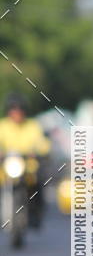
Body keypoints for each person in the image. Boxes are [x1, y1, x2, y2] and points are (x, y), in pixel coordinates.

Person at [0, 94, 50, 227]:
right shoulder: (3, 126)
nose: (17, 113)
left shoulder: (32, 126)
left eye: (20, 110)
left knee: (38, 184)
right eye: (14, 109)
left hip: (28, 169)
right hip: (6, 169)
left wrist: (39, 151)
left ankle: (35, 212)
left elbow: (42, 143)